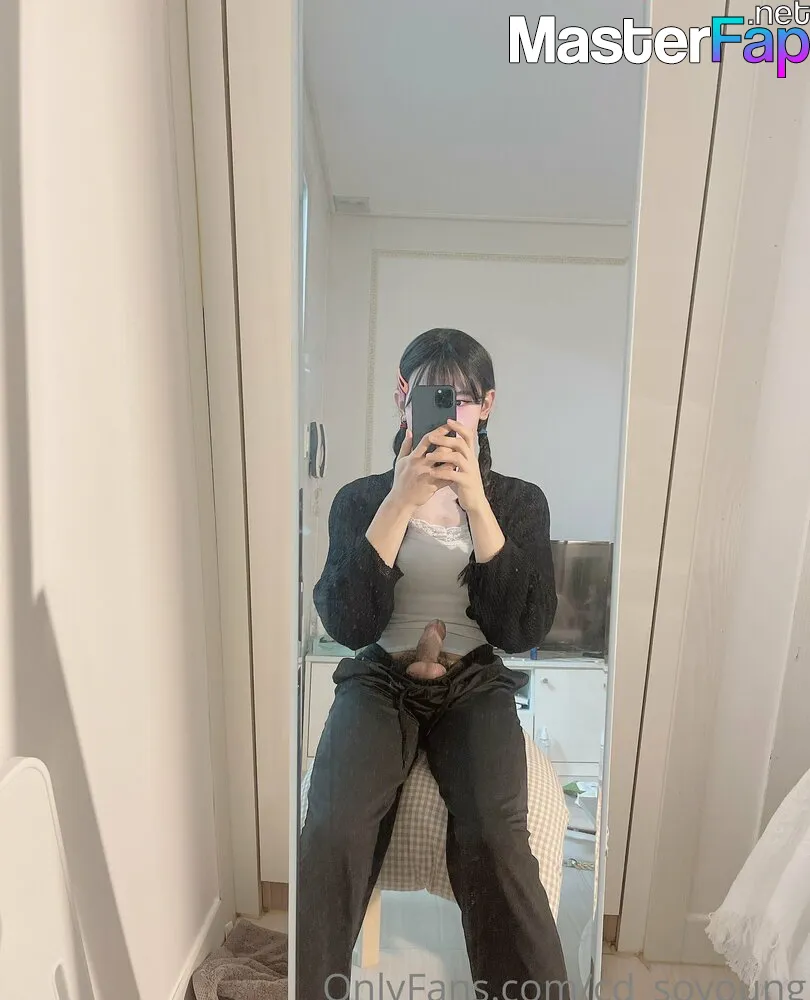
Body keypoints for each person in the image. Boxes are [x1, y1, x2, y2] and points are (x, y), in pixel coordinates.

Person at [297, 328, 569, 999]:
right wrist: (400, 500)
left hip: (472, 679)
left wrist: (475, 501)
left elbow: (521, 628)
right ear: (402, 396)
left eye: (464, 400)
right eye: (432, 397)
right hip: (379, 678)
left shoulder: (519, 502)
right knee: (330, 829)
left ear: (487, 405)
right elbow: (347, 624)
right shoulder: (359, 499)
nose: (450, 414)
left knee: (499, 835)